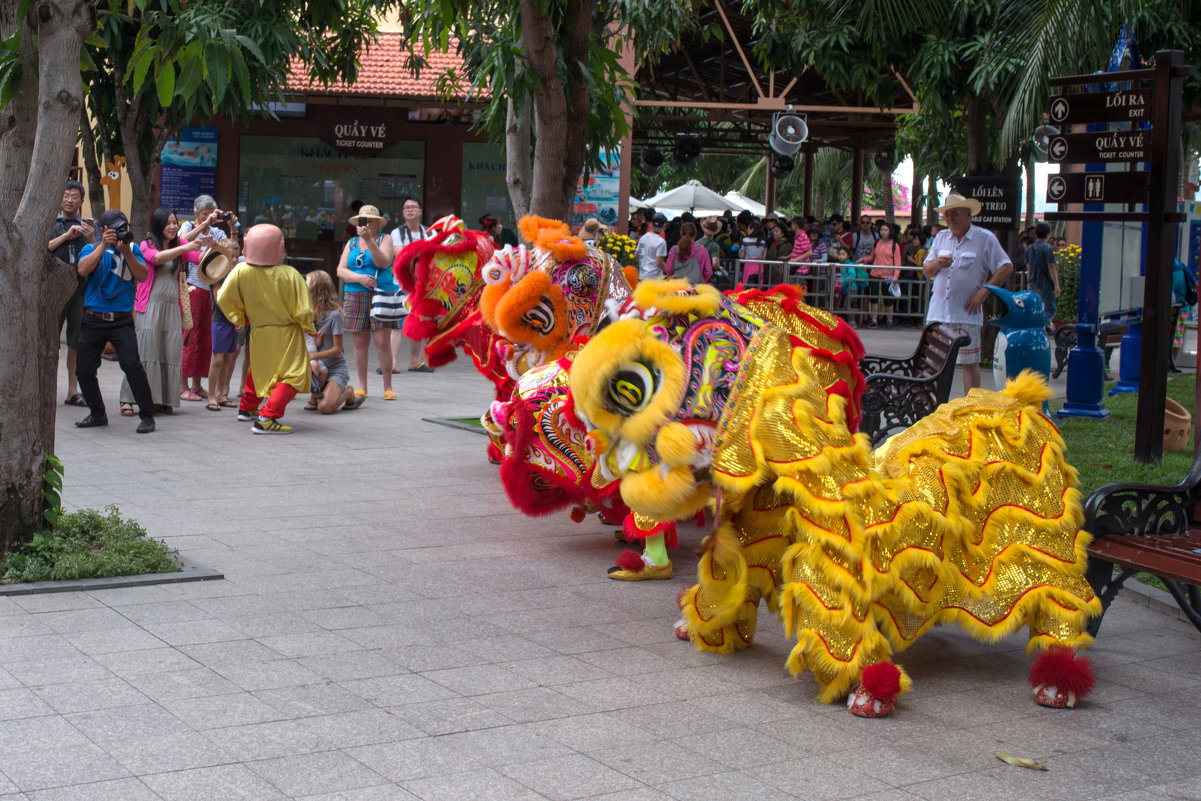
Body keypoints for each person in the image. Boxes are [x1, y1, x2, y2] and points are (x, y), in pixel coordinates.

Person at [217, 224, 315, 434]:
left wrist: (239, 316)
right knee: (294, 375)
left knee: (262, 369)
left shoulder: (241, 271)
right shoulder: (290, 274)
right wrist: (311, 327)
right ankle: (267, 417)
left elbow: (223, 297)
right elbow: (304, 309)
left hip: (259, 331)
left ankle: (247, 407)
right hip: (287, 333)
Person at [74, 209, 156, 433]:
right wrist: (103, 246)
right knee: (83, 369)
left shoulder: (133, 249)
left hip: (121, 320)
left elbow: (142, 275)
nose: (120, 233)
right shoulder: (90, 248)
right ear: (103, 230)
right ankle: (97, 413)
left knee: (132, 365)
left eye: (123, 228)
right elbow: (82, 269)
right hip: (93, 319)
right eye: (115, 229)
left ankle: (147, 415)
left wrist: (126, 252)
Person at [923, 192, 1014, 393]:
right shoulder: (941, 238)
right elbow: (927, 270)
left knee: (969, 362)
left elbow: (1005, 266)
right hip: (938, 313)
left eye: (955, 214)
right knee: (934, 363)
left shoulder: (984, 238)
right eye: (946, 215)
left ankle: (969, 409)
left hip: (966, 313)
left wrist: (984, 291)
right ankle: (931, 409)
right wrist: (938, 263)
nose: (950, 219)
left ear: (968, 215)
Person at [118, 207, 201, 417]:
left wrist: (213, 248)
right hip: (151, 305)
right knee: (145, 352)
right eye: (169, 223)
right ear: (158, 225)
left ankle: (161, 399)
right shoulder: (147, 245)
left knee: (168, 353)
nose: (173, 227)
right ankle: (127, 399)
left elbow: (198, 258)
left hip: (172, 307)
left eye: (175, 223)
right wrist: (184, 247)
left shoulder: (179, 245)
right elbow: (156, 259)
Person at [178, 195, 240, 401]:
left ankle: (196, 385)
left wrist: (233, 227)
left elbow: (232, 251)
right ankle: (182, 385)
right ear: (195, 213)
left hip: (211, 289)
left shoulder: (217, 232)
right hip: (192, 288)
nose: (208, 218)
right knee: (189, 337)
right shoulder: (187, 225)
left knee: (205, 339)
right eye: (203, 214)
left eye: (210, 214)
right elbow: (181, 242)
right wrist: (203, 224)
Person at [337, 203, 399, 399]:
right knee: (359, 341)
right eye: (363, 221)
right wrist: (359, 278)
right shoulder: (352, 243)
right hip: (355, 293)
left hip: (381, 292)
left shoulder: (385, 239)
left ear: (378, 224)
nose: (366, 225)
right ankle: (362, 386)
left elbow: (383, 262)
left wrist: (369, 241)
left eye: (370, 221)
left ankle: (388, 386)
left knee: (382, 341)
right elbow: (341, 270)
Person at [48, 180, 92, 408]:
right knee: (49, 342)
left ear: (81, 201)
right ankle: (47, 389)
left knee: (75, 342)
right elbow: (46, 246)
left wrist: (90, 236)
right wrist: (67, 235)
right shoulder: (52, 223)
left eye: (74, 196)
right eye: (66, 195)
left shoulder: (85, 226)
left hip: (78, 291)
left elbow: (95, 254)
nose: (69, 200)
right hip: (52, 293)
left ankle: (72, 391)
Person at [304, 270, 360, 413]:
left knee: (326, 408)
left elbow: (337, 349)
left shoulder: (335, 315)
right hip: (318, 368)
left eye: (306, 286)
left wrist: (312, 356)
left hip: (335, 368)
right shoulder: (308, 313)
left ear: (316, 291)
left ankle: (348, 392)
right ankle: (315, 396)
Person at [389, 196, 431, 372]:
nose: (410, 210)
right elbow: (401, 255)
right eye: (406, 207)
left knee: (418, 322)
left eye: (413, 207)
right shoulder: (396, 233)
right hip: (401, 284)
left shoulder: (430, 232)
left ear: (420, 210)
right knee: (397, 324)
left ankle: (414, 361)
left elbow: (435, 255)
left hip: (423, 284)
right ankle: (392, 363)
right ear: (402, 212)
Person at [863, 221, 902, 328]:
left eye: (886, 230)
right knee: (874, 298)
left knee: (888, 299)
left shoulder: (895, 245)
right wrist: (863, 260)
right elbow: (872, 257)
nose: (883, 232)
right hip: (875, 273)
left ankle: (889, 321)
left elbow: (898, 263)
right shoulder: (876, 242)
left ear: (890, 232)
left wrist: (895, 277)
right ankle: (874, 320)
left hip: (888, 275)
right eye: (881, 230)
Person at [1025, 222, 1059, 326]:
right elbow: (1051, 266)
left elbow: (1028, 267)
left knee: (1035, 308)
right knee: (1050, 309)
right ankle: (1037, 325)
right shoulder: (1047, 248)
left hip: (1033, 283)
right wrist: (1056, 284)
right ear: (1048, 234)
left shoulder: (1029, 248)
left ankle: (1036, 325)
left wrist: (1028, 283)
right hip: (1045, 283)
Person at [635, 213, 668, 280]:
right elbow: (659, 262)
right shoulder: (661, 242)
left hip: (642, 277)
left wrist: (644, 265)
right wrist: (668, 270)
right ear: (664, 226)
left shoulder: (643, 238)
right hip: (654, 279)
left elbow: (635, 256)